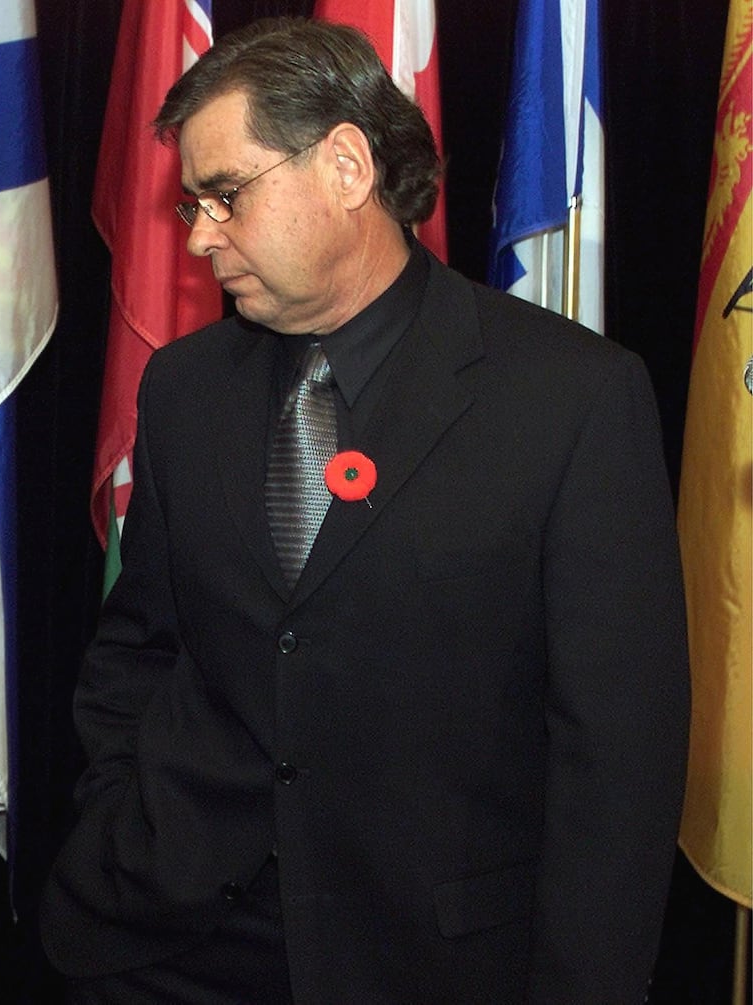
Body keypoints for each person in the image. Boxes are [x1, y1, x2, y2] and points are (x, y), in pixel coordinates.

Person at [40, 16, 690, 1003]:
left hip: (427, 962)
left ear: (344, 165)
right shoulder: (183, 387)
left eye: (225, 196)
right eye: (190, 205)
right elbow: (140, 648)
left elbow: (615, 759)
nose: (200, 233)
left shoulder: (572, 399)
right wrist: (122, 822)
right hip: (160, 945)